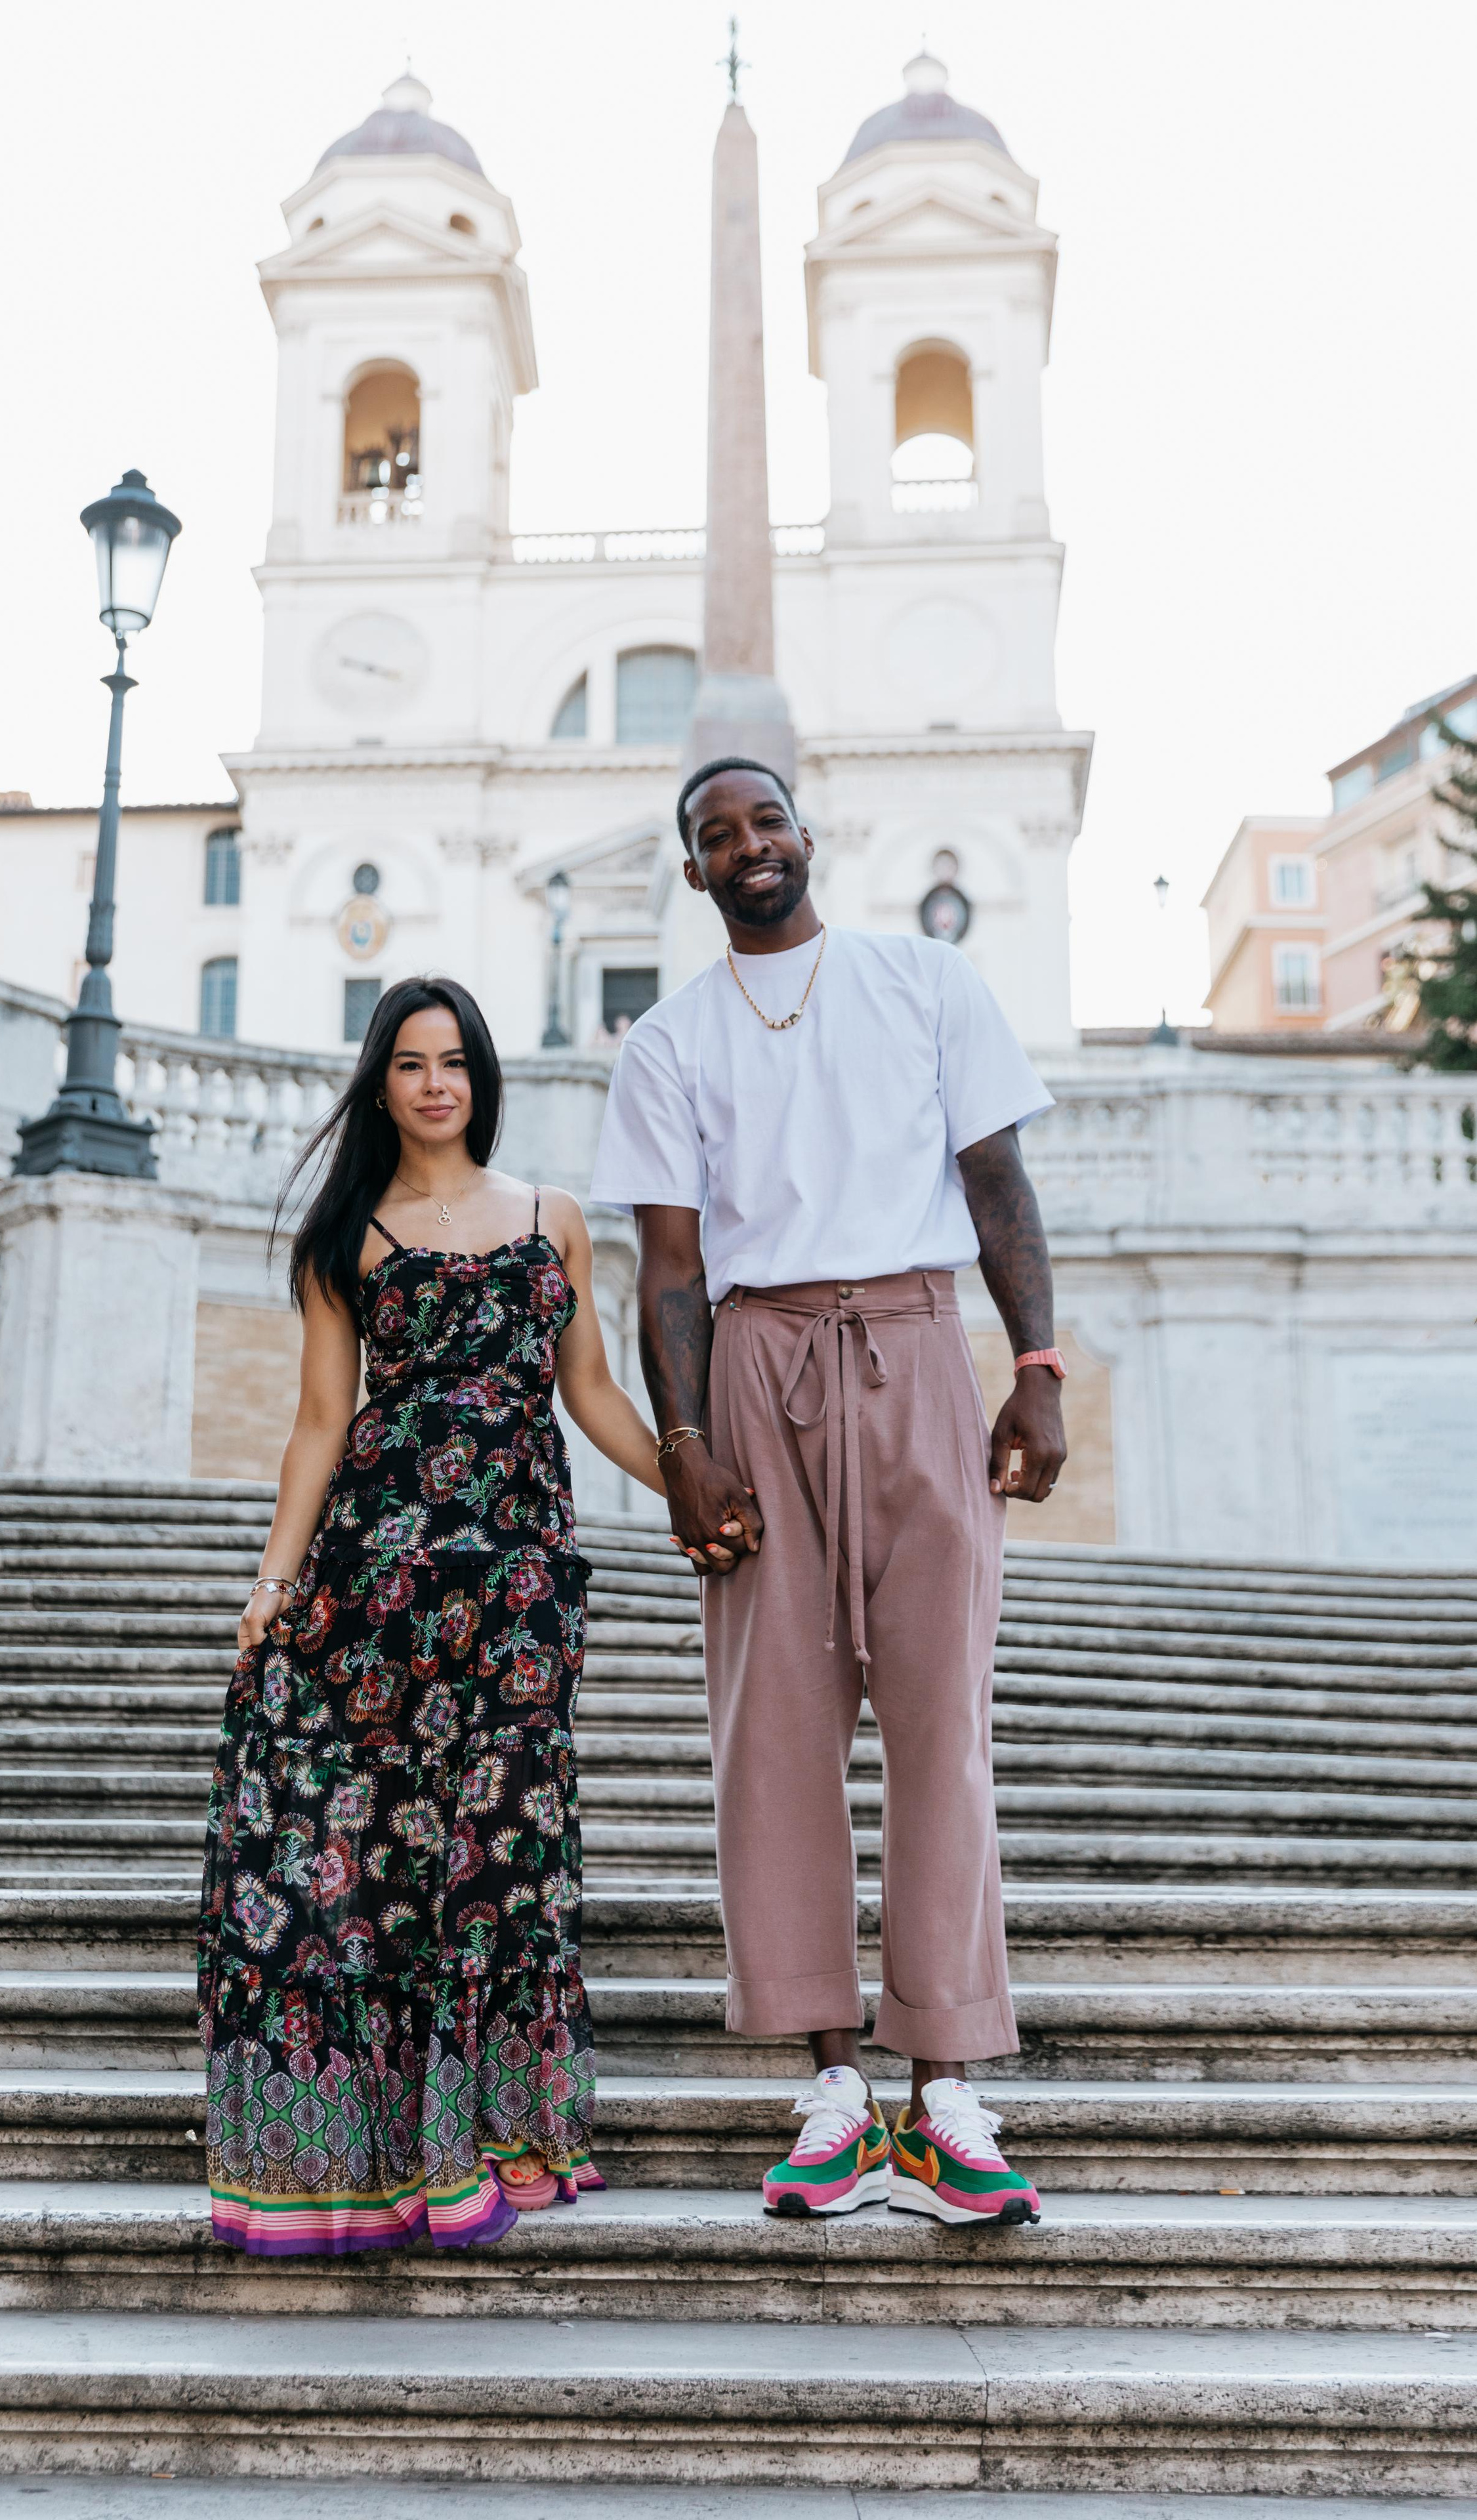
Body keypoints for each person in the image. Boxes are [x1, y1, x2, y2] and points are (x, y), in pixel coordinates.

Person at [589, 758, 1067, 2227]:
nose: (749, 846)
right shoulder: (666, 1042)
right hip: (759, 1362)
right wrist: (682, 1447)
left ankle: (947, 2095)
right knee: (775, 1736)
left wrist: (1037, 1367)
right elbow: (670, 1269)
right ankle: (835, 2091)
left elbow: (997, 1185)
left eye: (766, 821)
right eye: (716, 835)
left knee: (942, 1726)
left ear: (807, 837)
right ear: (692, 872)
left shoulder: (924, 981)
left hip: (916, 1346)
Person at [199, 975, 666, 2256]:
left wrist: (691, 1486)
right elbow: (319, 1424)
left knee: (503, 1849)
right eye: (409, 1063)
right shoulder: (344, 1236)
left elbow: (591, 1392)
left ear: (481, 1075)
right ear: (380, 1085)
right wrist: (273, 1585)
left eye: (453, 1060)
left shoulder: (554, 1218)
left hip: (521, 1585)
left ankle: (491, 2138)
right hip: (377, 1585)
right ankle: (389, 2153)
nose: (434, 1083)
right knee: (389, 1862)